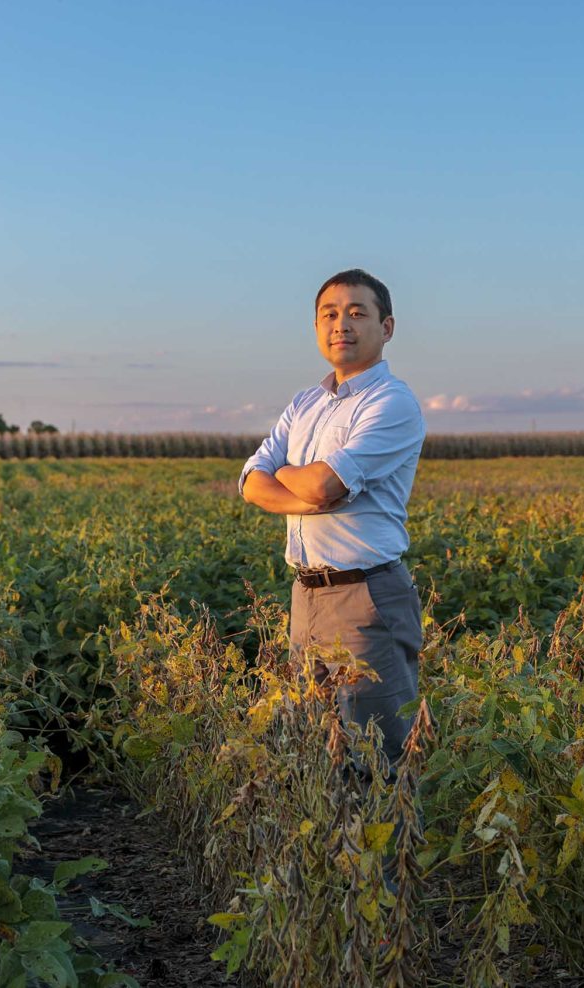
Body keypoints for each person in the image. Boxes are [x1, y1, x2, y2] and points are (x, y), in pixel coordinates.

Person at [240, 268, 427, 768]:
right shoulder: (306, 402)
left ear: (386, 328)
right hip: (306, 596)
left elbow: (325, 484)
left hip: (365, 600)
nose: (340, 324)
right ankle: (333, 849)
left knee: (378, 758)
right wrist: (310, 492)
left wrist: (296, 478)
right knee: (318, 753)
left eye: (356, 312)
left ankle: (389, 850)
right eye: (329, 314)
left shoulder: (391, 403)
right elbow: (251, 482)